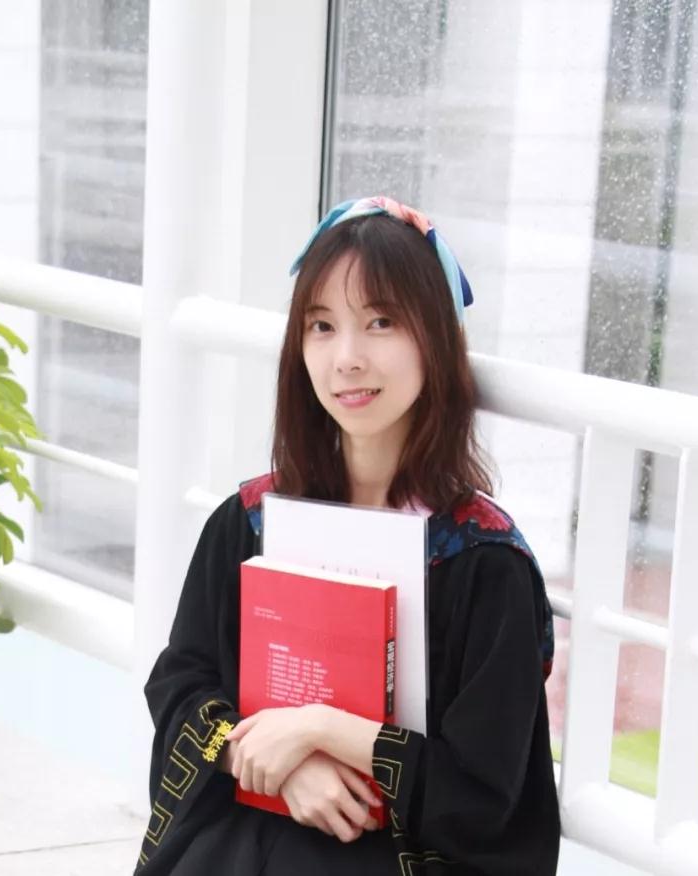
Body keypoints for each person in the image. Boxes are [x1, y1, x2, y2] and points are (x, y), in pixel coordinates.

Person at [134, 196, 560, 875]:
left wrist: (322, 729)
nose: (348, 359)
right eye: (322, 326)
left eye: (381, 322)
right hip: (250, 826)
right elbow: (182, 681)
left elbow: (484, 797)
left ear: (436, 339)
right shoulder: (248, 523)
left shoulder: (483, 563)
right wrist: (278, 766)